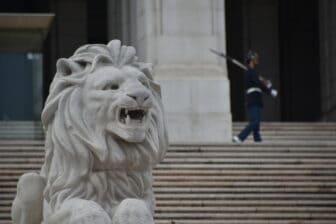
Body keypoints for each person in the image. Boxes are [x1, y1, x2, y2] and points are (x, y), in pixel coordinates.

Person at [233, 50, 277, 143]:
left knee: (256, 124)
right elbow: (257, 84)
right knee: (255, 122)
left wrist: (265, 83)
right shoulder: (250, 72)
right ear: (251, 60)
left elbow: (259, 83)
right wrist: (269, 89)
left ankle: (258, 141)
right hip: (252, 99)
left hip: (256, 99)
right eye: (255, 58)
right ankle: (240, 137)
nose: (257, 59)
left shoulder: (253, 72)